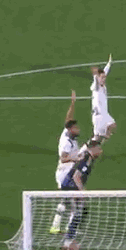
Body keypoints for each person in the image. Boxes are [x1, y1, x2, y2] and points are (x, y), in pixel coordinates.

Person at [58, 140, 103, 250]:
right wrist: (82, 191)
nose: (101, 151)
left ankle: (69, 241)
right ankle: (68, 243)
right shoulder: (86, 159)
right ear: (93, 149)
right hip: (71, 187)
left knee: (80, 212)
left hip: (69, 186)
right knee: (78, 213)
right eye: (99, 149)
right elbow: (76, 176)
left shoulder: (87, 158)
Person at [51, 91, 82, 235]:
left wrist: (73, 103)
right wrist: (76, 158)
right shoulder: (66, 142)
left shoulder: (66, 132)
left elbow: (68, 118)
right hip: (65, 173)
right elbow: (63, 158)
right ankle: (70, 229)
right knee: (73, 201)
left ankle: (57, 226)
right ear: (71, 130)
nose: (78, 129)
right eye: (76, 128)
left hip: (67, 172)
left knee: (66, 200)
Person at [91, 55, 117, 141]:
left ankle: (105, 136)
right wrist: (95, 75)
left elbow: (105, 72)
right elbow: (96, 80)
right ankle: (86, 148)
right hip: (98, 117)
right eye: (102, 78)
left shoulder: (102, 85)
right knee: (96, 140)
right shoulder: (96, 87)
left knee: (113, 125)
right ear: (98, 78)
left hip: (105, 114)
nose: (104, 79)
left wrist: (109, 63)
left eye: (104, 77)